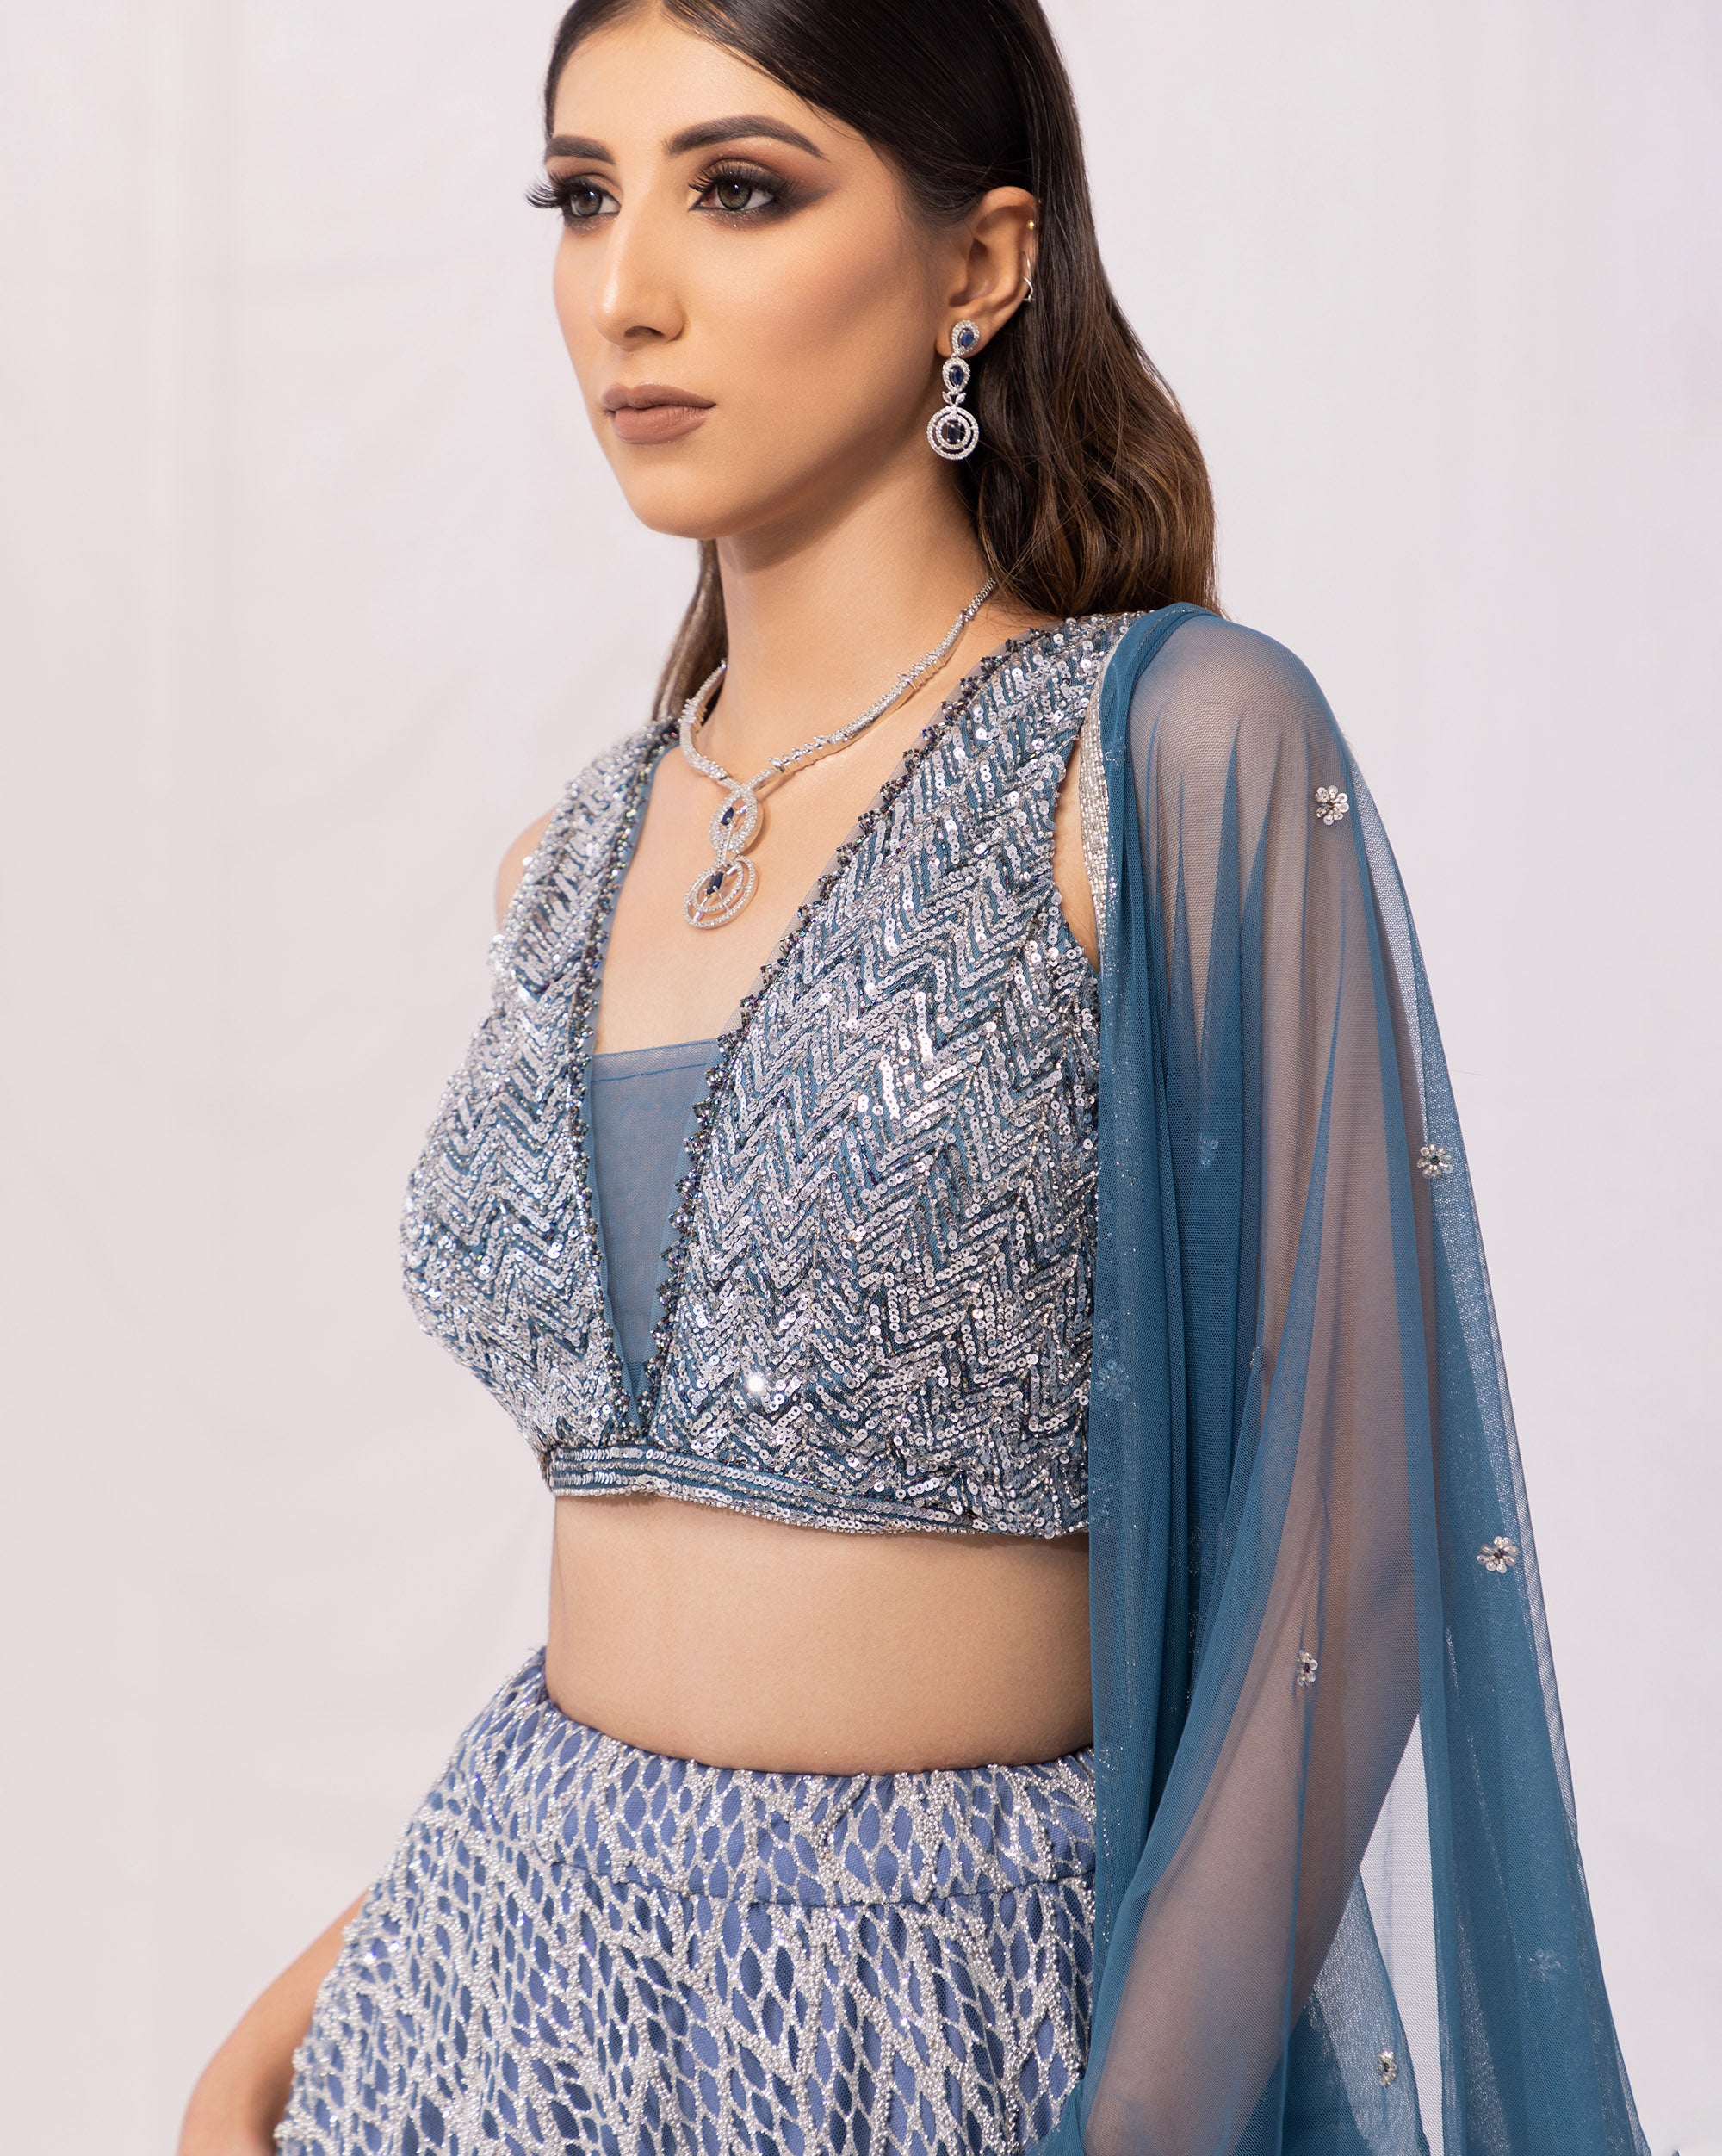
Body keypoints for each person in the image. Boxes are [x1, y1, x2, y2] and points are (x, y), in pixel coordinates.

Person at [178, 3, 1653, 2151]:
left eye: (737, 188)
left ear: (982, 261)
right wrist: (293, 2019)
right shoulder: (566, 861)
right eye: (581, 196)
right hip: (476, 2007)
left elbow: (1348, 1556)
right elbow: (635, 1630)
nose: (625, 290)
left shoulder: (1164, 758)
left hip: (944, 2029)